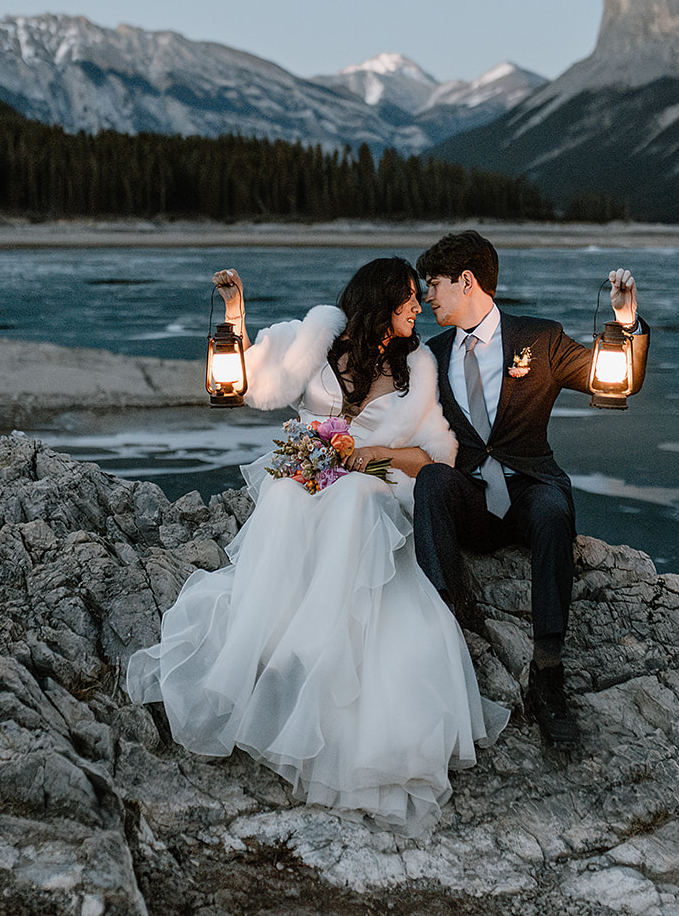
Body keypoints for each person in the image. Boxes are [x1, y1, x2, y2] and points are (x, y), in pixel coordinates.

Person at [125, 257, 508, 835]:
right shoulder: (318, 341)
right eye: (406, 298)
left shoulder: (417, 370)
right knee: (280, 498)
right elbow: (253, 386)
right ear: (379, 303)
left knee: (353, 499)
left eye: (417, 297)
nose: (415, 307)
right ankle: (273, 642)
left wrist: (365, 457)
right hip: (305, 479)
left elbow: (435, 457)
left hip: (375, 489)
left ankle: (326, 648)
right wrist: (234, 317)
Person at [413, 230, 648, 749]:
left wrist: (627, 324)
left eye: (433, 284)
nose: (427, 296)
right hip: (470, 497)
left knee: (550, 509)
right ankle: (451, 627)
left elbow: (616, 380)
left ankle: (548, 669)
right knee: (431, 481)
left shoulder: (540, 339)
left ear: (466, 281)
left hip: (528, 489)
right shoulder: (429, 355)